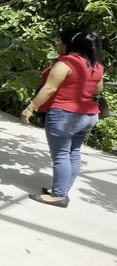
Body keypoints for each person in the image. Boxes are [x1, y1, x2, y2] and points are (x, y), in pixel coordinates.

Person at [21, 28, 106, 208]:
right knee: (73, 153)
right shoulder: (96, 65)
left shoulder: (66, 63)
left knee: (60, 155)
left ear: (70, 45)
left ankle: (58, 195)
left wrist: (30, 108)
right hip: (88, 116)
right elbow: (98, 90)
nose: (58, 45)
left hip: (64, 116)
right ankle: (61, 191)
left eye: (60, 42)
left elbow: (49, 88)